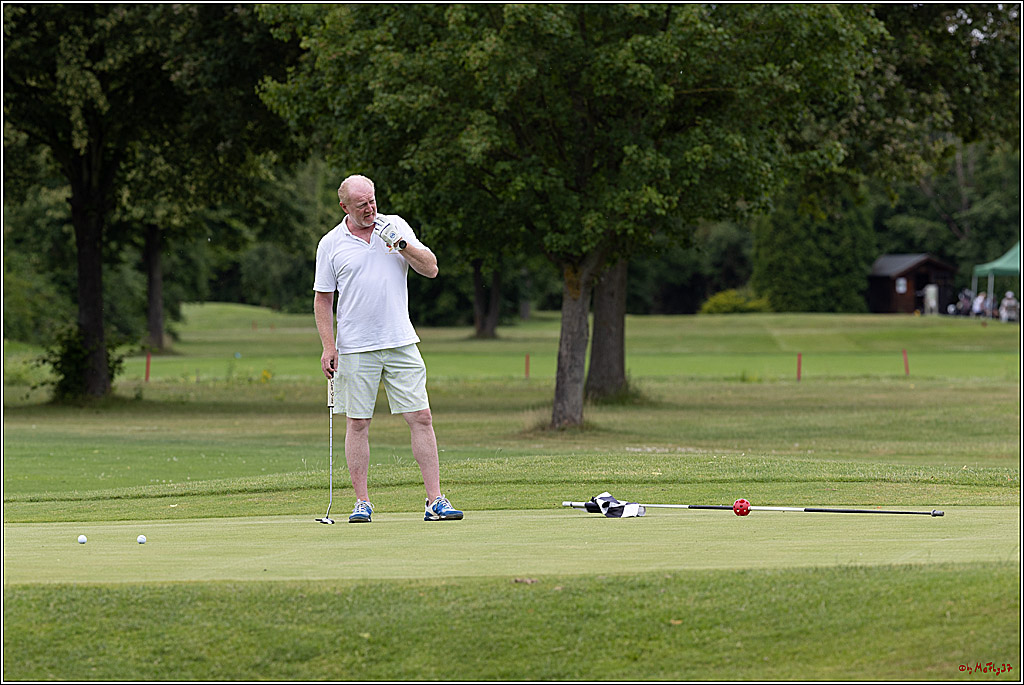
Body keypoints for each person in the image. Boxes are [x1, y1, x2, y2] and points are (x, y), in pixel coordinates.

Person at [313, 174, 463, 524]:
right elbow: (323, 299)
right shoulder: (331, 243)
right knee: (359, 422)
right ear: (344, 207)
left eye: (373, 200)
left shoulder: (394, 226)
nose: (370, 209)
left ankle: (435, 500)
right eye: (362, 204)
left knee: (421, 417)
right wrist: (327, 345)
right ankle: (362, 502)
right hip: (355, 347)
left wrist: (401, 245)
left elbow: (431, 269)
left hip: (400, 340)